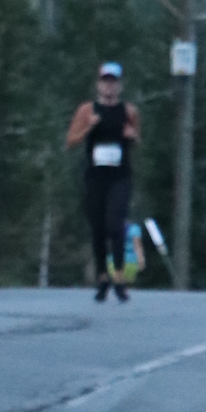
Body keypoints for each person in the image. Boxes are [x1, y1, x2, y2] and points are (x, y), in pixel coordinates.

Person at [65, 61, 140, 305]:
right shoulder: (87, 110)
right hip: (95, 177)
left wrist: (133, 136)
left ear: (120, 85)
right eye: (105, 81)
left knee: (115, 224)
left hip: (120, 177)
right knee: (98, 228)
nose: (109, 86)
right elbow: (70, 142)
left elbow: (136, 138)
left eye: (113, 82)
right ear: (98, 84)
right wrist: (88, 127)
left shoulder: (128, 111)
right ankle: (102, 277)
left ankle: (119, 278)